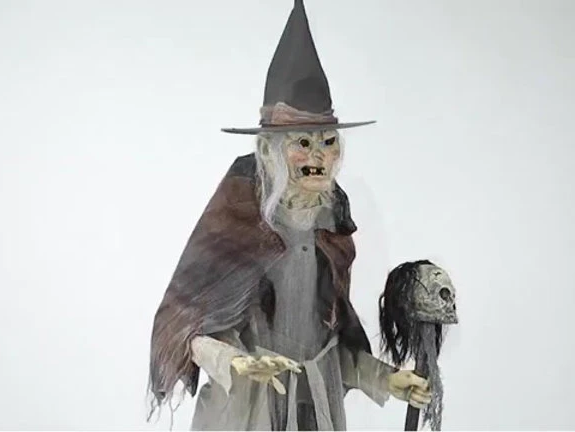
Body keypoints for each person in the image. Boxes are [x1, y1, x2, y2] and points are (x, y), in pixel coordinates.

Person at [148, 1, 431, 429]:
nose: (319, 156)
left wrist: (387, 379)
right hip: (247, 412)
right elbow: (185, 324)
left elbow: (330, 345)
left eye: (328, 142)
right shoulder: (239, 217)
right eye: (303, 142)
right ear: (269, 150)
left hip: (315, 411)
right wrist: (234, 361)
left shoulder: (331, 227)